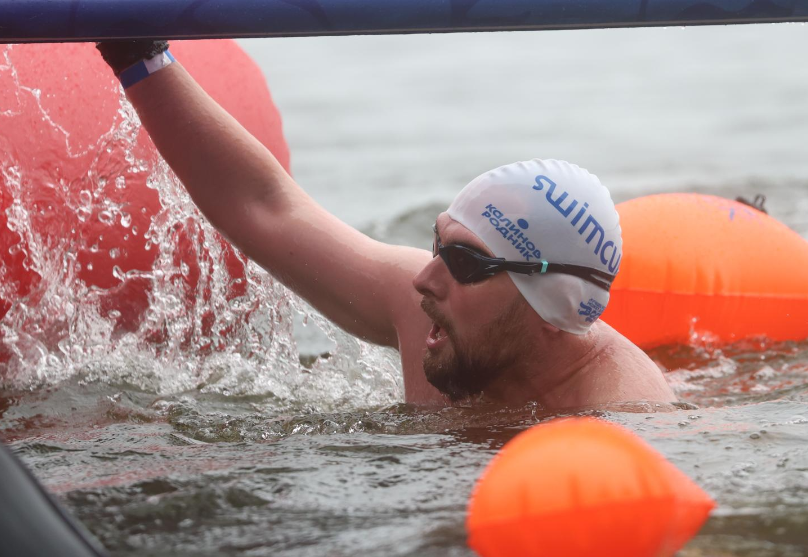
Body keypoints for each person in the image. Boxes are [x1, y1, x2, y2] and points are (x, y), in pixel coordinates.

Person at [96, 40, 677, 409]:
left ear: (553, 312)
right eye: (437, 243)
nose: (425, 279)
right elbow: (269, 209)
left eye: (466, 263)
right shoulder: (439, 313)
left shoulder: (619, 421)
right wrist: (136, 54)